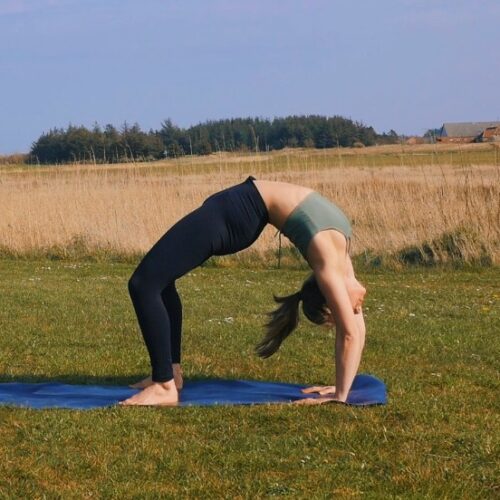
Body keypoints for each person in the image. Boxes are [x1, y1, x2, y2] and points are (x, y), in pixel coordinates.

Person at [121, 176, 366, 406]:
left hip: (238, 211)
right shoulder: (334, 261)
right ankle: (169, 375)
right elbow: (351, 333)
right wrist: (340, 393)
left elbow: (352, 331)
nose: (355, 310)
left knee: (144, 284)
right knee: (153, 283)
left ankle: (164, 386)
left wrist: (339, 392)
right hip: (237, 209)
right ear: (332, 297)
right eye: (340, 311)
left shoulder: (334, 257)